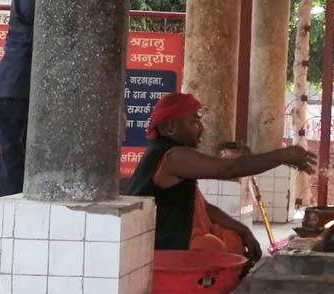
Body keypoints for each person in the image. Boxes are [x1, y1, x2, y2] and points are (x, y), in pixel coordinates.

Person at [124, 92, 316, 254]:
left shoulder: (170, 154)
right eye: (194, 121)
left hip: (168, 243)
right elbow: (230, 168)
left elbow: (206, 208)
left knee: (232, 237)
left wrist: (244, 231)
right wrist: (282, 156)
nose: (201, 128)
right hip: (159, 250)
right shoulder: (173, 156)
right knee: (211, 245)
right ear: (170, 127)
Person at [0, 0, 38, 197]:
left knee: (13, 164)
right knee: (16, 170)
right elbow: (33, 18)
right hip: (18, 86)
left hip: (16, 85)